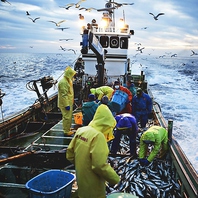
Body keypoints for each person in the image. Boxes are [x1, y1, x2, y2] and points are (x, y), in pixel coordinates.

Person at [66, 103, 120, 198]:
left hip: (81, 177)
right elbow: (99, 166)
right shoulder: (98, 136)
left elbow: (69, 154)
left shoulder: (82, 130)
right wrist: (115, 179)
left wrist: (81, 165)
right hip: (93, 183)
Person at [58, 66, 76, 136]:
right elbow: (63, 95)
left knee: (69, 116)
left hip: (69, 101)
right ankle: (66, 131)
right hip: (66, 103)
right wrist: (66, 105)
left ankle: (68, 128)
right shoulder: (63, 82)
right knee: (66, 117)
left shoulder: (68, 80)